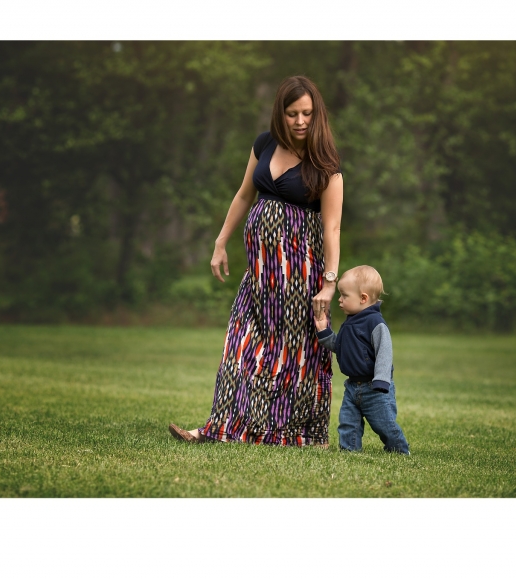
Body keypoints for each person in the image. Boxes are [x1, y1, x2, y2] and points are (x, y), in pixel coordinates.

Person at [168, 75, 343, 447]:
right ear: (280, 113)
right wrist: (220, 242)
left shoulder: (326, 166)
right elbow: (244, 195)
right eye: (292, 113)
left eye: (307, 114)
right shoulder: (264, 144)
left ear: (318, 115)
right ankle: (218, 428)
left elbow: (332, 230)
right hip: (260, 276)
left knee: (292, 358)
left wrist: (329, 283)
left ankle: (300, 434)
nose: (299, 121)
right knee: (239, 344)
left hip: (300, 279)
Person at [313, 265, 410, 454]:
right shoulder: (350, 322)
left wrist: (381, 380)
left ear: (363, 298)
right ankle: (349, 450)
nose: (339, 300)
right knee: (348, 422)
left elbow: (384, 352)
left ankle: (399, 450)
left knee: (383, 424)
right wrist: (323, 330)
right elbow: (341, 347)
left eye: (344, 295)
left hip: (375, 388)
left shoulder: (375, 323)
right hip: (352, 386)